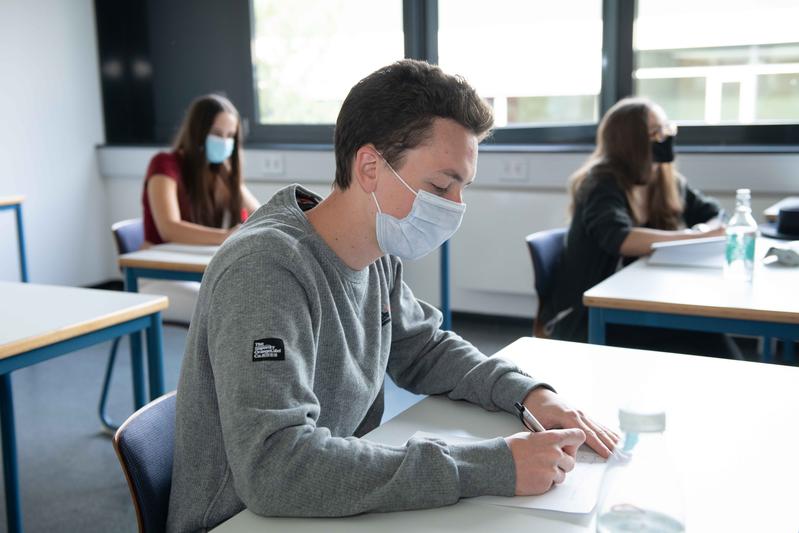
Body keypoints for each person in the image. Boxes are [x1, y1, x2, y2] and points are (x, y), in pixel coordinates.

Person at [166, 60, 618, 532]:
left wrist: (529, 394)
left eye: (462, 187)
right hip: (238, 520)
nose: (455, 206)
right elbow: (275, 468)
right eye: (441, 185)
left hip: (324, 502)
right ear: (369, 167)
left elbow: (424, 349)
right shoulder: (265, 269)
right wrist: (492, 466)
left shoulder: (377, 249)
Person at [539, 97, 725, 344]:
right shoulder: (600, 183)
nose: (665, 137)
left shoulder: (666, 180)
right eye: (656, 132)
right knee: (702, 339)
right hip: (590, 312)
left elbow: (714, 214)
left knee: (709, 335)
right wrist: (694, 237)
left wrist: (704, 230)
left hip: (642, 299)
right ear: (631, 142)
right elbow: (620, 239)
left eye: (666, 129)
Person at [139, 94, 260, 322]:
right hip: (160, 276)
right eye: (216, 134)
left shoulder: (221, 172)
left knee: (259, 297)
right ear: (197, 131)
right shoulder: (165, 164)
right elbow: (169, 228)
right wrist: (225, 236)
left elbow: (259, 216)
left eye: (230, 136)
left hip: (202, 272)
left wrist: (231, 179)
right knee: (232, 308)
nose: (224, 142)